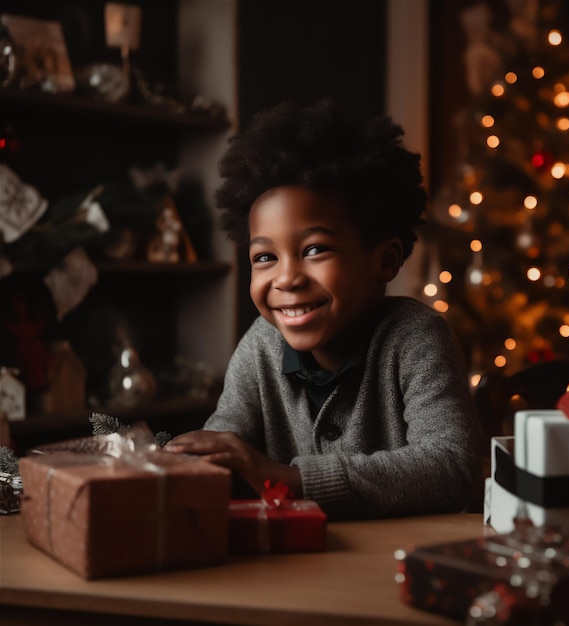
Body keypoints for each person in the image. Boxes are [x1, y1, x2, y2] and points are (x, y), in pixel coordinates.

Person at [166, 99, 482, 520]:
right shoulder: (260, 346)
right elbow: (227, 441)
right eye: (265, 258)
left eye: (314, 250)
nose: (287, 279)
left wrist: (291, 479)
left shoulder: (416, 337)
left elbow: (452, 468)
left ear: (384, 261)